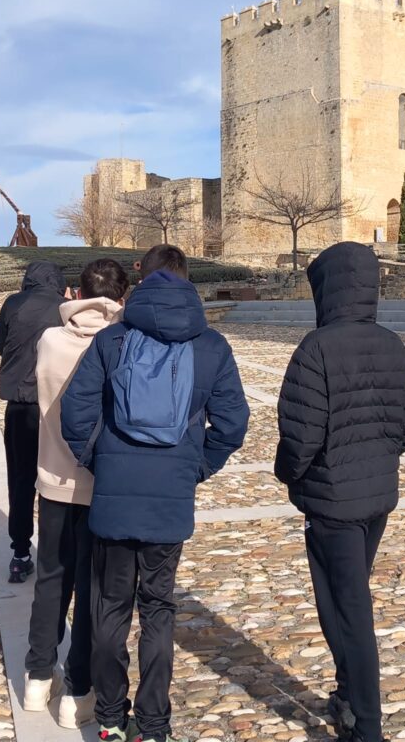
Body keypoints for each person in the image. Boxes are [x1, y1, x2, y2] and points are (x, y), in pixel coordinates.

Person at [62, 244, 249, 742]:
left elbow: (75, 412)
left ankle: (109, 718)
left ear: (142, 279)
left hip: (114, 494)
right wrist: (196, 467)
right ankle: (153, 724)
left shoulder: (112, 339)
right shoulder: (211, 346)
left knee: (109, 606)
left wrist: (99, 462)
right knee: (158, 608)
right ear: (187, 280)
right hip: (170, 498)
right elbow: (232, 424)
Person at [274, 242, 405, 742]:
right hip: (376, 496)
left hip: (332, 502)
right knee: (348, 600)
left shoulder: (316, 348)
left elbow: (300, 437)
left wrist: (290, 475)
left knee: (346, 611)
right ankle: (348, 696)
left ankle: (368, 724)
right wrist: (377, 456)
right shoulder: (392, 344)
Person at [23, 258, 130, 728]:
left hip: (53, 477)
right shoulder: (122, 342)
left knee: (51, 578)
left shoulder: (49, 340)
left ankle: (37, 677)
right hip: (100, 483)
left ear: (76, 293)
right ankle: (78, 691)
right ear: (121, 297)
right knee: (91, 589)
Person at [0, 260, 70, 583]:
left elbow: (1, 344)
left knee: (20, 481)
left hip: (19, 406)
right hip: (55, 405)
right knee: (58, 480)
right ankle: (55, 553)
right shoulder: (63, 307)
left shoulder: (13, 304)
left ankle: (20, 553)